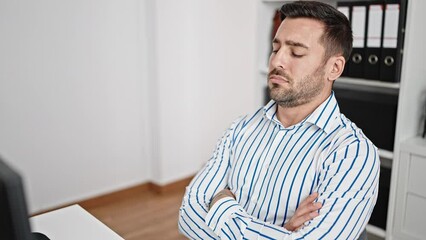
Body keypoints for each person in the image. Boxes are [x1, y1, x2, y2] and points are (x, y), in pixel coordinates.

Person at [178, 1, 379, 239]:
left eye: (296, 52)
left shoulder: (352, 154)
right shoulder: (242, 128)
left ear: (334, 68)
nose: (276, 62)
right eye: (275, 49)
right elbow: (188, 217)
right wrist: (284, 233)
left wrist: (222, 204)